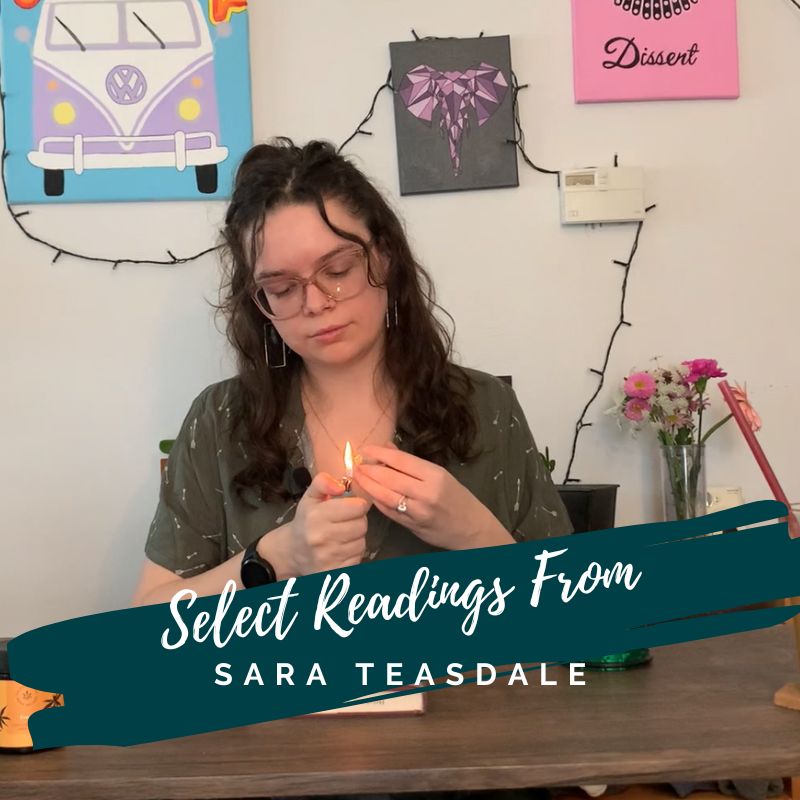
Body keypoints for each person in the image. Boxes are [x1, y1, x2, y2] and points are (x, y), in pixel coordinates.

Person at [132, 138, 572, 607]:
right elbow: (148, 618)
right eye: (281, 288)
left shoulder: (485, 407)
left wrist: (474, 533)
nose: (316, 303)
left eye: (337, 269)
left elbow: (578, 615)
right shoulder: (220, 421)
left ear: (383, 257)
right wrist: (274, 558)